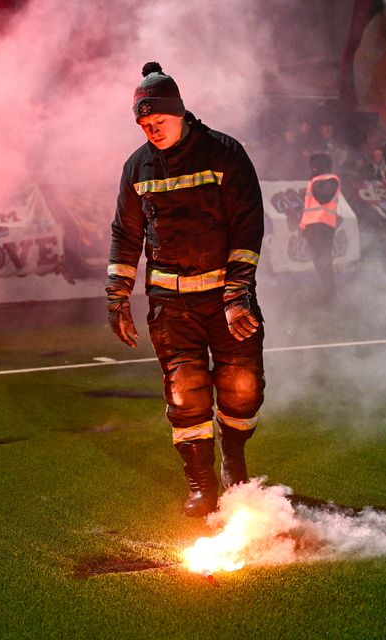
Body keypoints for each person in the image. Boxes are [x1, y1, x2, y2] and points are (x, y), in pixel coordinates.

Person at [106, 62, 265, 517]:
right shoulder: (137, 167)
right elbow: (125, 234)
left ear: (179, 112)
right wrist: (117, 294)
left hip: (224, 299)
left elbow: (247, 227)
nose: (151, 130)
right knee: (185, 392)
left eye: (157, 121)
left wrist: (237, 295)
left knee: (242, 388)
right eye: (144, 124)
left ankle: (234, 460)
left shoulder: (224, 153)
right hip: (171, 305)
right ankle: (201, 485)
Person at [299, 152, 341, 301]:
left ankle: (329, 293)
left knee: (323, 259)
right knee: (319, 259)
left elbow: (323, 197)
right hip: (313, 226)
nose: (313, 168)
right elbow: (309, 206)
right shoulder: (315, 181)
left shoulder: (332, 179)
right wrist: (303, 226)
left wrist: (315, 179)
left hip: (322, 226)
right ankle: (327, 292)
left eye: (315, 164)